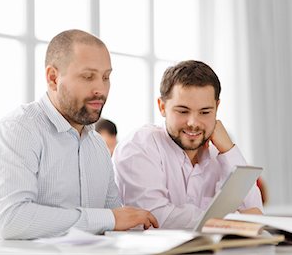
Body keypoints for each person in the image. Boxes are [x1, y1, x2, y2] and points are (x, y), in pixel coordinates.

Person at [0, 29, 158, 240]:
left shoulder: (97, 145)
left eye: (106, 77)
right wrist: (111, 219)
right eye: (88, 77)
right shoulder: (18, 131)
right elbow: (12, 221)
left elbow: (115, 220)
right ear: (53, 78)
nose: (101, 89)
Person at [113, 60, 263, 229]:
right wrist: (232, 222)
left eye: (205, 112)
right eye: (183, 111)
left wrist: (229, 150)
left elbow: (254, 211)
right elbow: (155, 217)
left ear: (217, 107)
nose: (193, 122)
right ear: (162, 107)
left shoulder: (219, 153)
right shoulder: (138, 146)